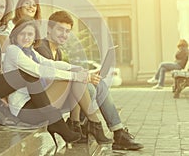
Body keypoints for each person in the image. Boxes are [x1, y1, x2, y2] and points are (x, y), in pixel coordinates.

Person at [0, 0, 81, 145]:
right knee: (27, 73)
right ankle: (57, 122)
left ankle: (56, 121)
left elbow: (46, 63)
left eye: (2, 7)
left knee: (28, 74)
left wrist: (71, 68)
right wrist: (3, 95)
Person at [35, 10, 144, 150]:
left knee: (100, 84)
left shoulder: (59, 51)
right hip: (46, 100)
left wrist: (90, 74)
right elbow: (54, 76)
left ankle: (118, 132)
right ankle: (90, 124)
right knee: (88, 87)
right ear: (49, 29)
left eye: (67, 31)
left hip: (62, 97)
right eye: (60, 30)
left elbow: (64, 74)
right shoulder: (41, 48)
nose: (64, 34)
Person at [3, 16, 111, 145]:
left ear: (34, 37)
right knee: (71, 78)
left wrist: (76, 68)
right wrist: (77, 75)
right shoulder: (13, 50)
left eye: (30, 34)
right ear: (15, 35)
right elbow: (38, 70)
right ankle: (92, 123)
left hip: (38, 103)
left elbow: (49, 64)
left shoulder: (30, 52)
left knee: (74, 75)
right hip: (24, 110)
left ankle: (75, 124)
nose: (26, 37)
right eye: (22, 34)